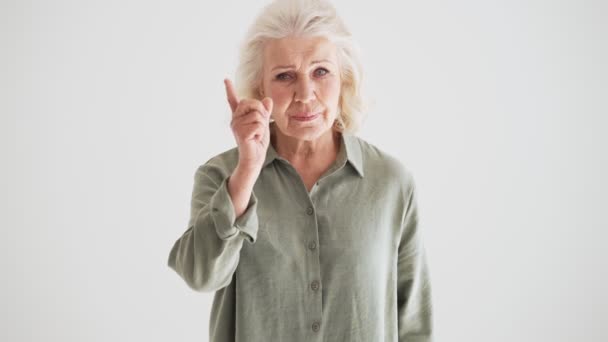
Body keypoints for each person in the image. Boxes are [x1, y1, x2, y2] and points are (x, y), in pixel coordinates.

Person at [167, 0, 434, 341]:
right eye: (284, 76)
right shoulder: (221, 176)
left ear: (345, 79)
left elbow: (412, 322)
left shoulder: (391, 182)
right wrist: (247, 170)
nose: (305, 95)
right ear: (261, 87)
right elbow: (201, 276)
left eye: (321, 72)